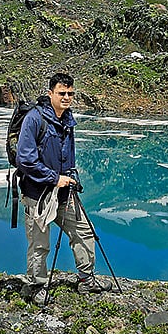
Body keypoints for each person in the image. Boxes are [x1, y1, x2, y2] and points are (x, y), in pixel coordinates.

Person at [16, 73, 112, 303]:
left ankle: (87, 280)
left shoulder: (67, 119)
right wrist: (53, 178)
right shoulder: (34, 119)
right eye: (62, 93)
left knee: (83, 230)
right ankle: (37, 285)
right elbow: (25, 160)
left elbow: (66, 156)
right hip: (37, 194)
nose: (66, 97)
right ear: (50, 94)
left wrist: (69, 177)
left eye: (70, 93)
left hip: (64, 192)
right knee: (39, 243)